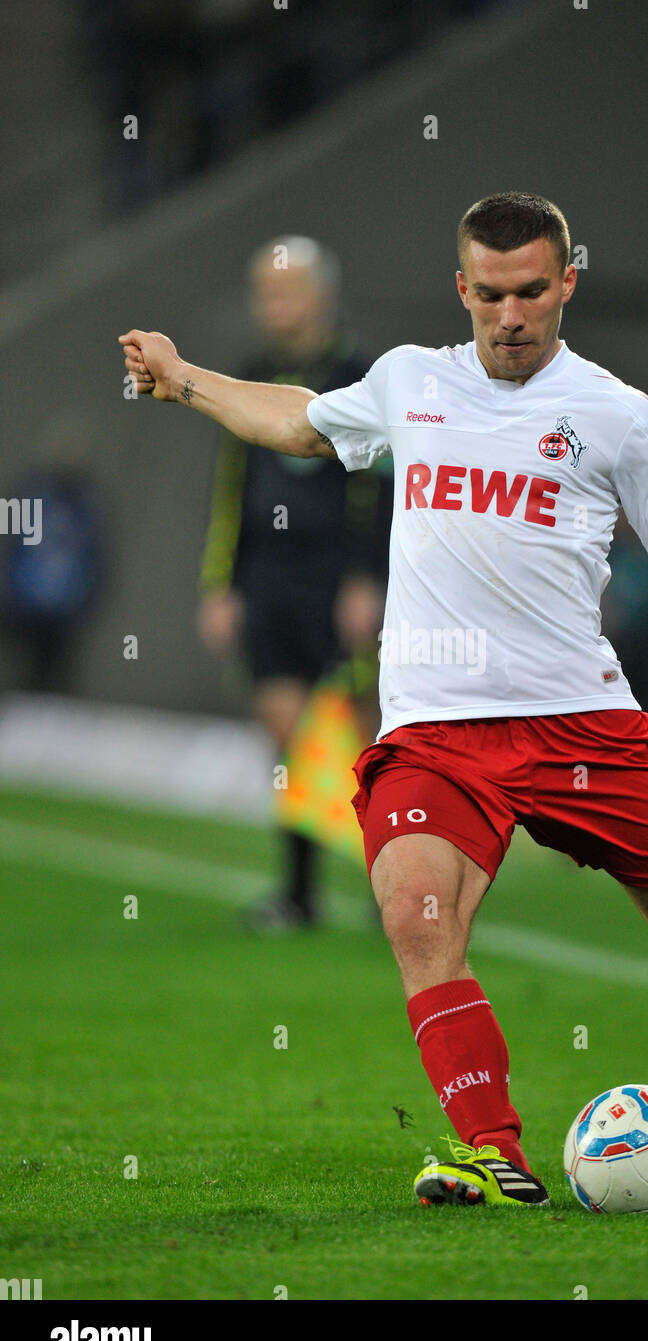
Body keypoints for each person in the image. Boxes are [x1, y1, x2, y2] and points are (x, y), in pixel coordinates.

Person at [119, 191, 648, 1209]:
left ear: (566, 283)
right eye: (490, 293)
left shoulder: (618, 415)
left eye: (531, 291)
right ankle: (493, 1152)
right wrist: (185, 380)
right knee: (414, 912)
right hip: (434, 735)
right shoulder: (410, 382)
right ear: (462, 288)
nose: (510, 315)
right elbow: (301, 424)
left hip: (579, 728)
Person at [196, 236, 391, 929]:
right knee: (288, 733)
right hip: (267, 578)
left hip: (337, 575)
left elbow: (382, 481)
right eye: (265, 292)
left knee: (364, 732)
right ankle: (300, 892)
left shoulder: (361, 372)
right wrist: (221, 584)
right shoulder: (251, 373)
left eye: (285, 291)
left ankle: (392, 886)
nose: (273, 305)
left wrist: (368, 577)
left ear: (321, 295)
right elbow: (232, 488)